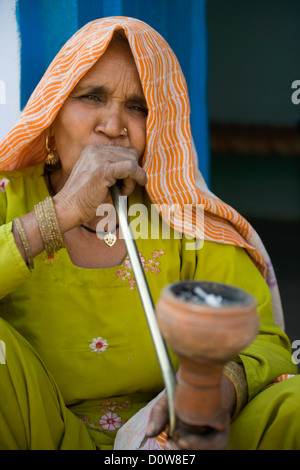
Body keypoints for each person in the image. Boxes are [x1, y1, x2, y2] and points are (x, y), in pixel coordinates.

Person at [0, 16, 299, 451]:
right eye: (92, 97)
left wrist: (219, 390)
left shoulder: (180, 216)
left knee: (291, 405)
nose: (114, 124)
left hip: (172, 443)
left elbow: (264, 341)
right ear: (54, 113)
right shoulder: (9, 197)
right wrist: (59, 214)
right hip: (41, 433)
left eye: (138, 107)